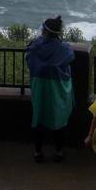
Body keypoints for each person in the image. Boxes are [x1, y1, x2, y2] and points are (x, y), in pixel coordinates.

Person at [25, 15, 75, 163]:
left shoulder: (35, 46)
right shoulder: (64, 49)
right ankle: (59, 152)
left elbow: (29, 59)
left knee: (39, 117)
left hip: (39, 86)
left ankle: (37, 152)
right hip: (58, 87)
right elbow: (69, 58)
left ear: (44, 31)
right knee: (59, 118)